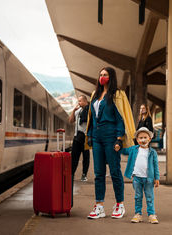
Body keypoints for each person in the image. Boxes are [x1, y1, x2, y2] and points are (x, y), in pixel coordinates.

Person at [85, 67, 136, 220]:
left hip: (111, 136)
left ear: (111, 77)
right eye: (100, 75)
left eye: (105, 75)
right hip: (97, 137)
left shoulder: (118, 95)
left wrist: (119, 138)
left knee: (114, 171)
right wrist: (89, 135)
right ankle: (99, 205)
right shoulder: (95, 94)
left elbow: (121, 117)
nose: (102, 77)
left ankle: (119, 204)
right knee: (99, 173)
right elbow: (92, 117)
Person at [115, 127, 160, 224]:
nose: (143, 140)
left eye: (145, 137)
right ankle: (138, 214)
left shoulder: (152, 152)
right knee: (138, 196)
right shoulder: (133, 149)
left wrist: (157, 178)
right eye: (140, 138)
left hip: (149, 179)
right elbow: (124, 151)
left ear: (149, 139)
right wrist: (118, 147)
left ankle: (151, 215)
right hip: (136, 178)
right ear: (137, 140)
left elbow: (156, 166)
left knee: (149, 197)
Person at [69, 95, 90, 181]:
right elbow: (70, 121)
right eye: (78, 101)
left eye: (80, 101)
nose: (79, 103)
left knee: (86, 157)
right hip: (76, 136)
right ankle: (72, 174)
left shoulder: (89, 111)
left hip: (85, 137)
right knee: (74, 157)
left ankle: (84, 175)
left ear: (85, 101)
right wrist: (74, 111)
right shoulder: (78, 111)